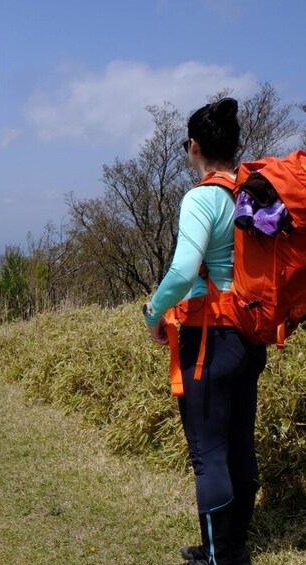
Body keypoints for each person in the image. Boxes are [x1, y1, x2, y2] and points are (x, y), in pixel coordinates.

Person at [143, 98, 266, 565]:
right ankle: (229, 546)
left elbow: (182, 270)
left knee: (208, 453)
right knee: (239, 443)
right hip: (249, 333)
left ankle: (220, 557)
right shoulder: (251, 192)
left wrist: (153, 312)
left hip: (209, 337)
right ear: (236, 146)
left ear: (193, 147)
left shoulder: (202, 198)